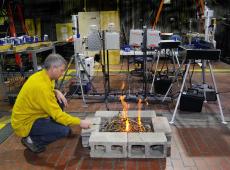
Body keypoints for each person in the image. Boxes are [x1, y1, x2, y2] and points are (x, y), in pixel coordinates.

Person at [11, 53, 91, 153]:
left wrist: (56, 91)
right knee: (64, 131)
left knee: (59, 101)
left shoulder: (44, 75)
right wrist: (80, 122)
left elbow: (49, 89)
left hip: (34, 114)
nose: (62, 74)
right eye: (61, 70)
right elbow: (58, 115)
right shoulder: (41, 87)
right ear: (53, 68)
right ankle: (32, 140)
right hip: (25, 123)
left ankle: (52, 125)